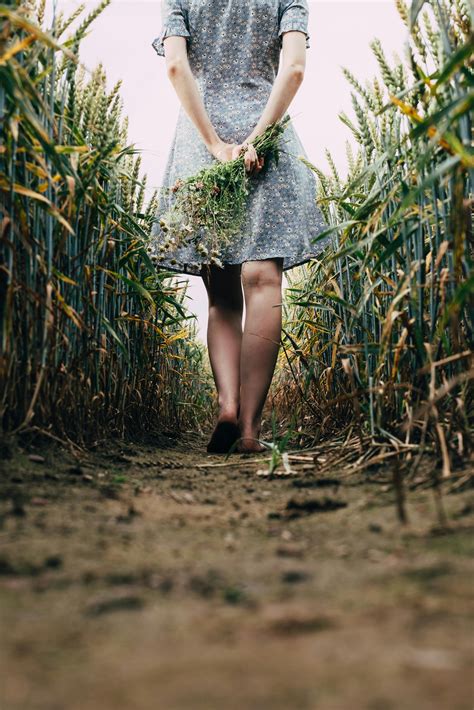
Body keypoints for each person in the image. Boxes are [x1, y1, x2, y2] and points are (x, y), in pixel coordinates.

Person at [149, 0, 329, 454]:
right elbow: (293, 70)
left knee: (222, 296)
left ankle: (227, 405)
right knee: (264, 281)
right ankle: (249, 429)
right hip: (265, 139)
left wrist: (213, 143)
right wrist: (257, 137)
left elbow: (175, 67)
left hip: (200, 141)